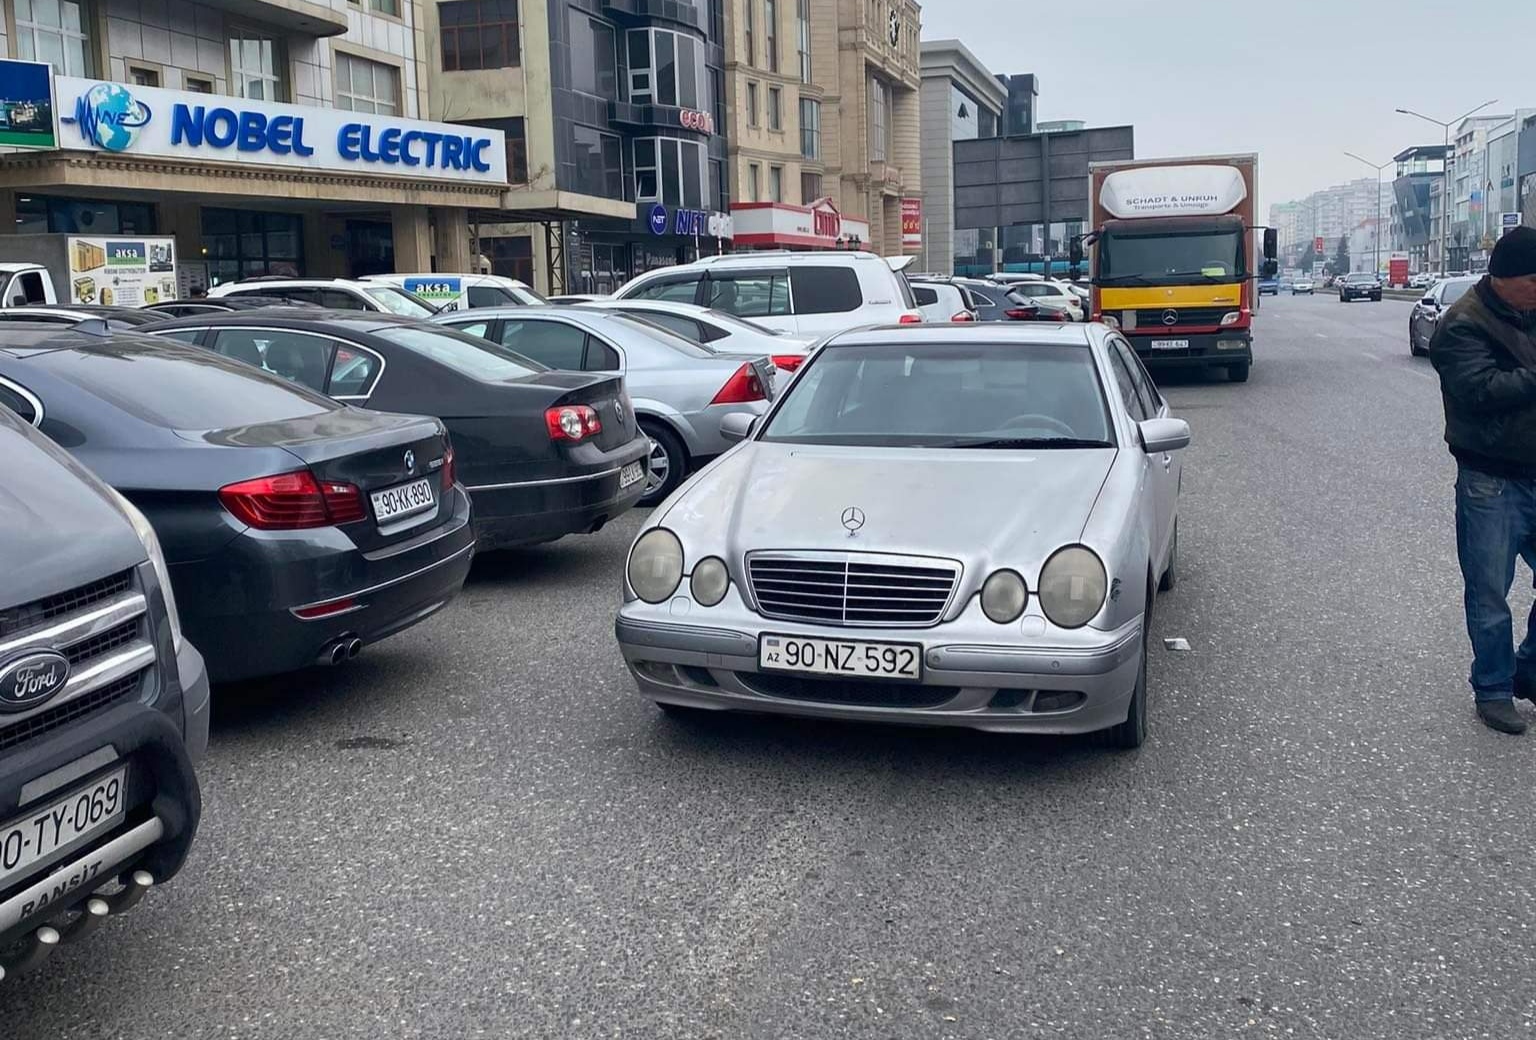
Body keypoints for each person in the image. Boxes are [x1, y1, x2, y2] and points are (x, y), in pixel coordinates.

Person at [1430, 226, 1536, 734]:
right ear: (1503, 278)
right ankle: (1494, 688)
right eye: (1533, 280)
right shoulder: (1462, 324)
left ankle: (1529, 669)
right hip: (1489, 480)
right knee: (1490, 593)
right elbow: (1479, 390)